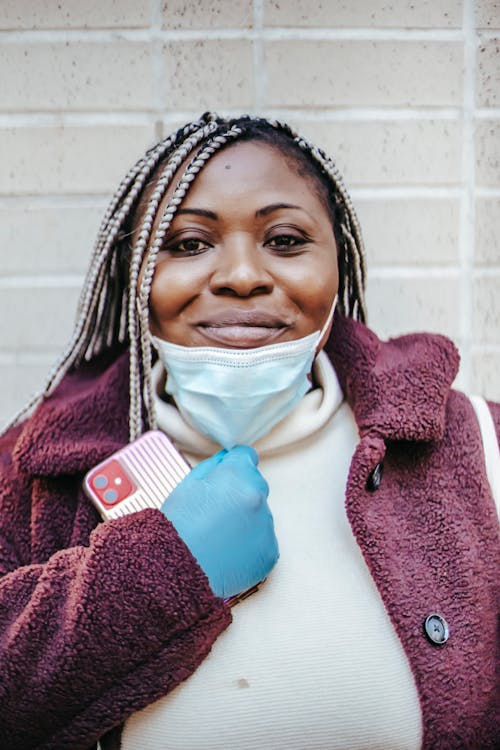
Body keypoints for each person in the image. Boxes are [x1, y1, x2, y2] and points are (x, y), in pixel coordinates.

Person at [0, 112, 498, 750]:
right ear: (137, 279)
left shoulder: (477, 447)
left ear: (338, 267)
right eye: (187, 244)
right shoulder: (36, 470)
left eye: (286, 240)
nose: (241, 275)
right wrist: (169, 565)